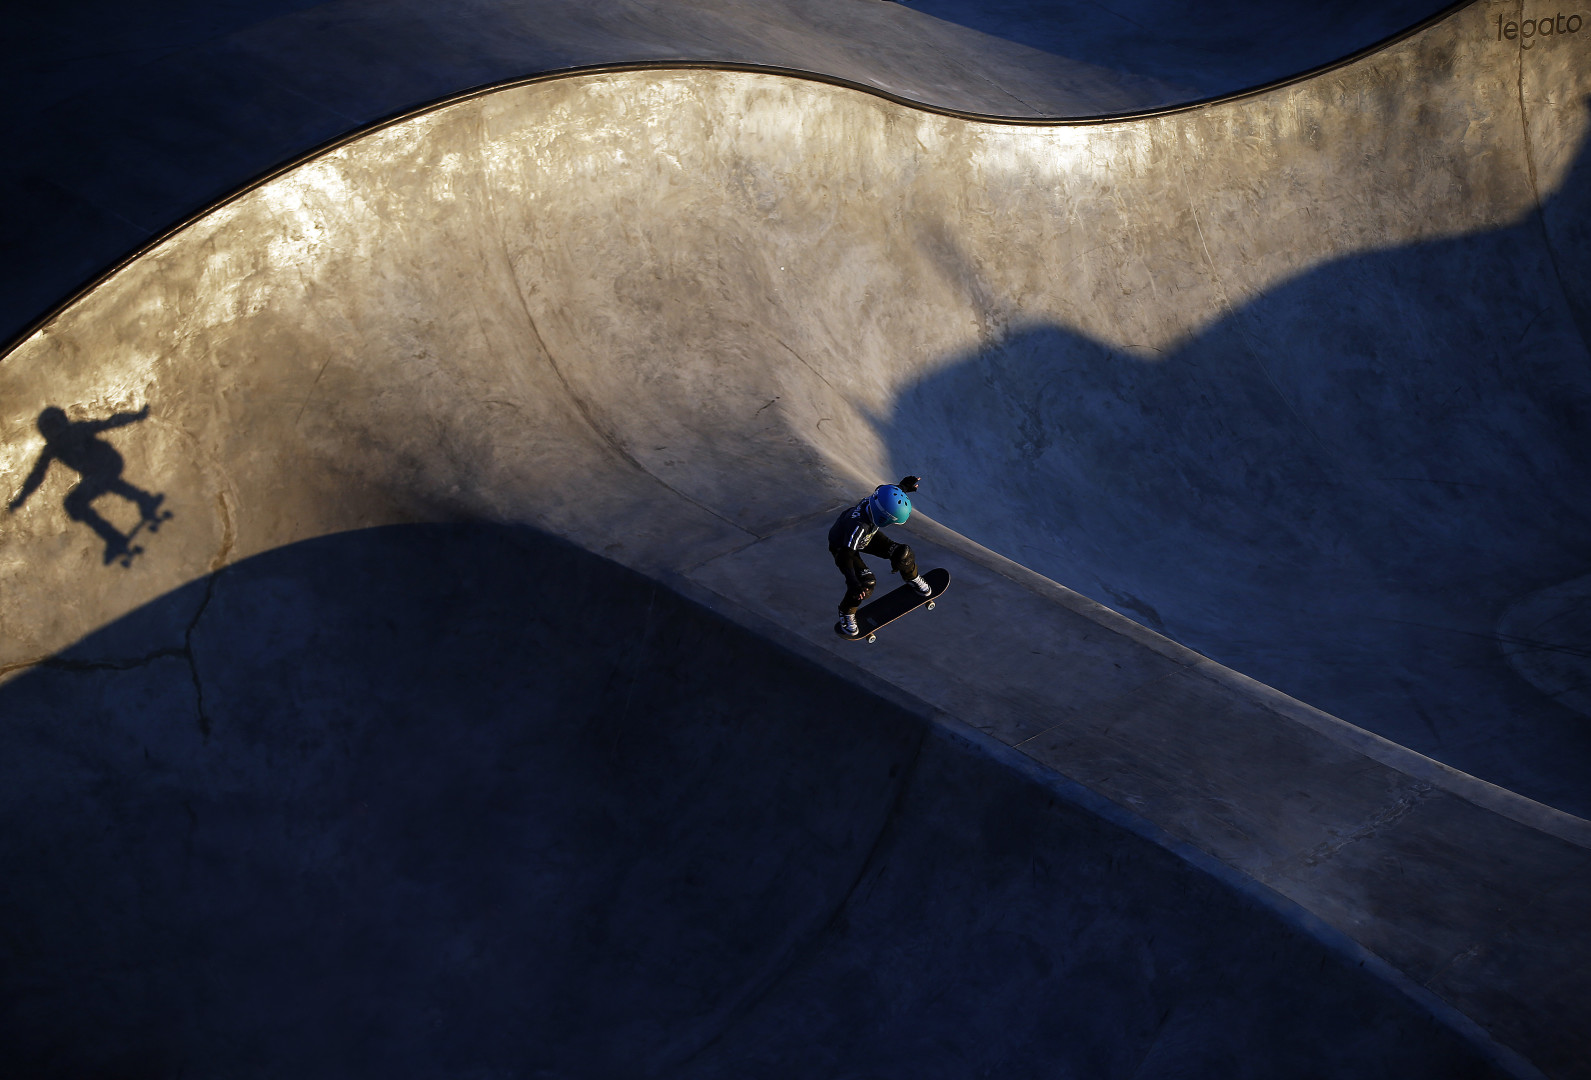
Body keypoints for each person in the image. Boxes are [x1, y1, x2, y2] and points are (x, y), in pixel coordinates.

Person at [829, 475, 931, 637]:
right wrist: (852, 581)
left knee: (903, 554)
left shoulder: (878, 499)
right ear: (882, 518)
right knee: (866, 584)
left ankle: (912, 578)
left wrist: (903, 487)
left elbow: (887, 492)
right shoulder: (858, 525)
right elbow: (845, 556)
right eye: (890, 522)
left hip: (867, 538)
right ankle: (846, 612)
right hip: (843, 547)